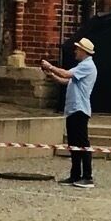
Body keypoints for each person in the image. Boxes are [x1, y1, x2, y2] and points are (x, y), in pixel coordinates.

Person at [42, 33, 97, 186]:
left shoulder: (87, 66)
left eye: (77, 49)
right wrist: (52, 75)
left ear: (83, 51)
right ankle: (75, 175)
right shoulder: (82, 66)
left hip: (80, 109)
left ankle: (87, 176)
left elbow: (66, 74)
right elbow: (67, 81)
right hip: (74, 109)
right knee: (74, 144)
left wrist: (50, 66)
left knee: (82, 143)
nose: (75, 52)